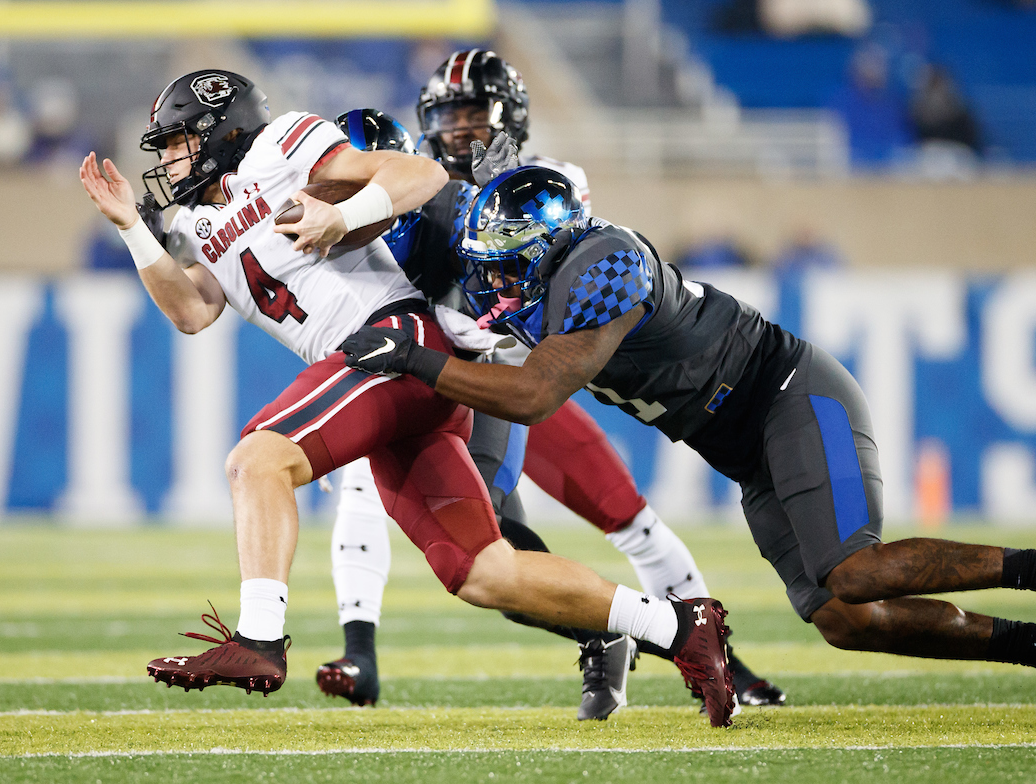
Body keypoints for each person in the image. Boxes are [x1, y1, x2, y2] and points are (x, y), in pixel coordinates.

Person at [340, 165, 1036, 729]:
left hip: (786, 393)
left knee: (856, 569)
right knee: (847, 619)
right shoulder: (544, 271)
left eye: (508, 266)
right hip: (743, 443)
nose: (495, 285)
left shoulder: (605, 265)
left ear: (546, 248)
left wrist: (415, 361)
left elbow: (537, 393)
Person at [77, 69, 738, 727]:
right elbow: (192, 310)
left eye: (176, 141)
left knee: (258, 459)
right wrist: (134, 227)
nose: (167, 159)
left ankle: (259, 639)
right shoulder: (196, 219)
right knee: (485, 573)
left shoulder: (283, 144)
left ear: (223, 130)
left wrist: (341, 213)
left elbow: (421, 177)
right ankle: (681, 628)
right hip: (378, 373)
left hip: (393, 339)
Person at [317, 50, 785, 720]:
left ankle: (725, 663)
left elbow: (541, 273)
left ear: (509, 113)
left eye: (474, 111)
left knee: (623, 515)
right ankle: (598, 635)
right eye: (447, 113)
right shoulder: (405, 182)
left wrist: (491, 186)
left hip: (517, 377)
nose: (459, 126)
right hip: (449, 379)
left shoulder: (549, 182)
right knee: (491, 551)